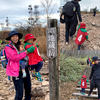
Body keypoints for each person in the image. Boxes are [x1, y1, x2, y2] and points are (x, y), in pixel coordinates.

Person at [5, 30, 31, 100]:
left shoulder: (20, 45)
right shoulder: (8, 48)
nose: (15, 38)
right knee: (19, 93)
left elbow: (26, 58)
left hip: (25, 70)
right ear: (10, 38)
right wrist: (26, 52)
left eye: (16, 36)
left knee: (28, 89)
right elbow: (15, 58)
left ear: (18, 37)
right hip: (16, 72)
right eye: (13, 36)